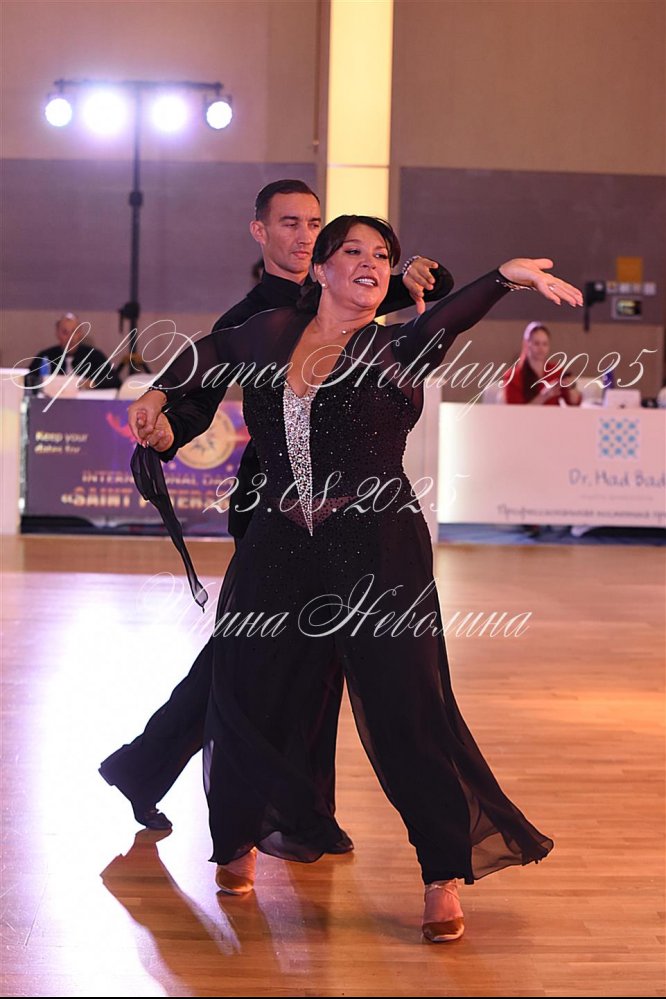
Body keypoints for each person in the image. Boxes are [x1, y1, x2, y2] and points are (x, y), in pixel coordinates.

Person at [128, 215, 582, 942]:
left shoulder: (398, 344)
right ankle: (239, 835)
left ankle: (442, 873)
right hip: (279, 546)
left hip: (377, 550)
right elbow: (207, 355)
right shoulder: (271, 333)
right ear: (322, 269)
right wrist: (155, 398)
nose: (372, 263)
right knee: (251, 691)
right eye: (354, 252)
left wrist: (503, 277)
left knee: (408, 707)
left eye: (383, 255)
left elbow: (452, 316)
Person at [99, 179, 453, 840]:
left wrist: (424, 274)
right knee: (257, 666)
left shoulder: (341, 285)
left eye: (314, 223)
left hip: (349, 515)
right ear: (259, 232)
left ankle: (172, 774)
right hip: (277, 512)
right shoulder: (250, 317)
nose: (304, 235)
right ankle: (278, 807)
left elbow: (413, 296)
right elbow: (199, 394)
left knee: (294, 664)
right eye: (289, 223)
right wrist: (168, 429)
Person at [28, 312, 121, 389]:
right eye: (65, 332)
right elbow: (28, 380)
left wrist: (92, 383)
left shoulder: (94, 356)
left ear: (80, 334)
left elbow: (115, 381)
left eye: (74, 332)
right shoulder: (46, 356)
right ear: (57, 334)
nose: (70, 337)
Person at [504, 321, 582, 405]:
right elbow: (515, 411)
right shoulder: (513, 377)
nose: (541, 348)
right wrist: (544, 395)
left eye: (545, 344)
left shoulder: (556, 370)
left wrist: (571, 387)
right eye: (536, 343)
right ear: (526, 344)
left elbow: (574, 403)